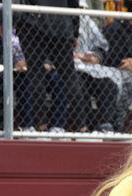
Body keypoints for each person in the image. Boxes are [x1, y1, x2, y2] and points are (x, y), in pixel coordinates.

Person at [15, 0, 84, 132]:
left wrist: (3, 19)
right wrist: (74, 30)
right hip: (60, 23)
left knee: (36, 74)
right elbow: (73, 3)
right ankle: (82, 126)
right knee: (69, 75)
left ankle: (41, 126)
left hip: (33, 22)